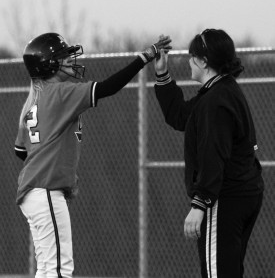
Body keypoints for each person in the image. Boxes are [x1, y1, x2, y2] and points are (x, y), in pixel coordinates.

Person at [14, 32, 172, 278]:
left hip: (35, 191)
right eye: (63, 56)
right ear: (48, 63)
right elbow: (109, 87)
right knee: (59, 268)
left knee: (47, 268)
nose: (69, 59)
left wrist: (49, 163)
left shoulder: (35, 98)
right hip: (44, 191)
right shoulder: (59, 92)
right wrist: (144, 58)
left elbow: (20, 151)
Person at [153, 29, 264, 278]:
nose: (189, 62)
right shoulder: (221, 91)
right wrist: (162, 73)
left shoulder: (216, 101)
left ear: (204, 61)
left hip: (225, 197)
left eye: (193, 56)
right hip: (243, 192)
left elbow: (214, 155)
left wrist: (200, 203)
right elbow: (180, 115)